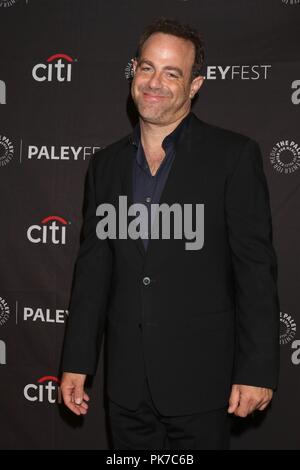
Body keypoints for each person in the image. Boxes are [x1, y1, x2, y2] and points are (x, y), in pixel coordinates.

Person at [60, 18, 280, 450]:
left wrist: (256, 370)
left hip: (202, 383)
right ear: (133, 71)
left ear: (195, 84)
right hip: (125, 388)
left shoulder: (233, 157)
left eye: (171, 72)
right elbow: (93, 272)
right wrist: (77, 361)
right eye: (146, 67)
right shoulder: (105, 166)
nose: (154, 82)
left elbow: (255, 271)